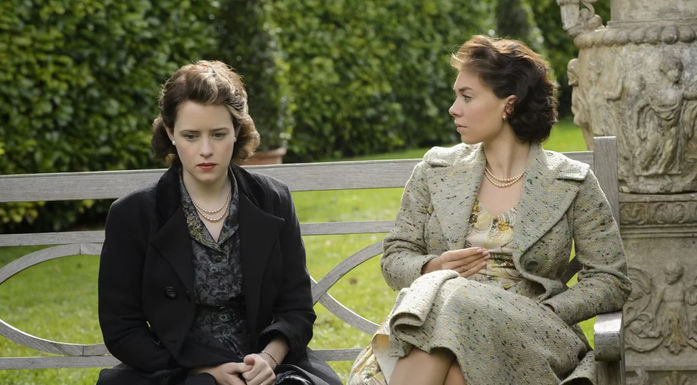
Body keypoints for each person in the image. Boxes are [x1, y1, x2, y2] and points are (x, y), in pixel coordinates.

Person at [348, 36, 631, 385]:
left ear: (508, 105)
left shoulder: (571, 181)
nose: (454, 108)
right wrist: (431, 266)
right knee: (453, 355)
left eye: (467, 97)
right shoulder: (435, 170)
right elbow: (395, 256)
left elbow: (610, 279)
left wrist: (553, 309)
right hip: (442, 330)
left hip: (532, 331)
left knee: (450, 294)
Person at [97, 60, 341, 385]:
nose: (206, 150)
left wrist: (267, 360)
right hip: (177, 371)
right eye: (191, 136)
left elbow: (295, 308)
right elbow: (122, 327)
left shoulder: (274, 199)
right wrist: (202, 370)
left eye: (218, 134)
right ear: (170, 133)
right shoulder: (133, 214)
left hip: (271, 369)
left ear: (238, 130)